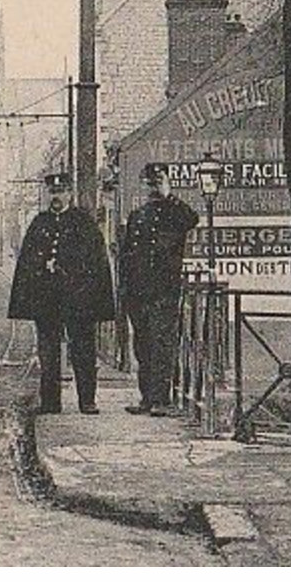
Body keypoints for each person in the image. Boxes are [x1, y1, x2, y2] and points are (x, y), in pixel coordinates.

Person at [7, 173, 116, 415]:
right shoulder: (39, 223)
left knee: (83, 352)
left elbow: (96, 264)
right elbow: (26, 263)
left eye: (61, 192)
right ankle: (50, 402)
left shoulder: (84, 222)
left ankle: (87, 400)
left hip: (78, 301)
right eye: (53, 192)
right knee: (48, 354)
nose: (56, 197)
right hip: (47, 302)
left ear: (70, 194)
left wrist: (72, 274)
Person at [119, 163, 200, 416]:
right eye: (150, 183)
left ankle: (161, 400)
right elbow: (127, 257)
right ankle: (146, 398)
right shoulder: (137, 216)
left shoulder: (174, 214)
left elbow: (192, 219)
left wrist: (169, 196)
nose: (153, 188)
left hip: (164, 292)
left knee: (162, 345)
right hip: (138, 293)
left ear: (165, 183)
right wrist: (125, 292)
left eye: (158, 183)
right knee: (142, 346)